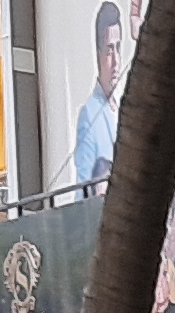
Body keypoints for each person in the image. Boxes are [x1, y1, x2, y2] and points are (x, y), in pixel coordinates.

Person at [68, 2, 125, 185]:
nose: (116, 60)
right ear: (98, 53)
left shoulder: (124, 106)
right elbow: (83, 187)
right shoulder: (90, 114)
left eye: (118, 48)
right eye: (109, 50)